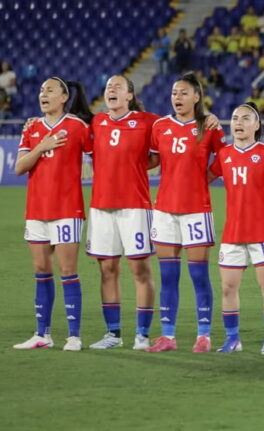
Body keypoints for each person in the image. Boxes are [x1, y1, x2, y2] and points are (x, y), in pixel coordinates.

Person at [146, 72, 226, 353]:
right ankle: (167, 335)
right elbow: (152, 159)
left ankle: (203, 335)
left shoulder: (209, 126)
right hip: (165, 210)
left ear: (196, 97)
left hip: (196, 211)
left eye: (183, 93)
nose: (177, 98)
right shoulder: (160, 126)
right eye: (174, 93)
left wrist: (205, 177)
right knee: (168, 276)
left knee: (199, 275)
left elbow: (224, 158)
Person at [13, 77, 93, 351]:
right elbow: (19, 167)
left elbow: (99, 155)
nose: (42, 94)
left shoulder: (77, 127)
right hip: (36, 210)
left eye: (49, 90)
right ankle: (42, 335)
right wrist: (41, 147)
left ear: (63, 97)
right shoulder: (32, 128)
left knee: (68, 271)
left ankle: (74, 336)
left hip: (67, 209)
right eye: (40, 90)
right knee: (41, 270)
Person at [85, 76, 159, 350]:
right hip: (101, 208)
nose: (111, 90)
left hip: (135, 206)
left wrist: (206, 119)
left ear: (130, 95)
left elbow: (167, 146)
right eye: (107, 87)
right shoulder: (96, 123)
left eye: (118, 86)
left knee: (139, 269)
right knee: (107, 270)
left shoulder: (148, 122)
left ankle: (142, 334)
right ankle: (113, 334)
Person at [209, 103, 264, 354]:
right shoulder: (224, 155)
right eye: (234, 118)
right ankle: (232, 339)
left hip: (263, 231)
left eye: (245, 118)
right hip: (233, 232)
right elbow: (204, 177)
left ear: (257, 124)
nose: (238, 123)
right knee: (228, 287)